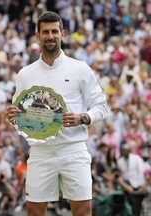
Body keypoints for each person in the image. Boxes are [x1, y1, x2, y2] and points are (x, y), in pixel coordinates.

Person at [6, 11, 108, 216]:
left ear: (63, 34)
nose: (50, 36)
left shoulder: (80, 68)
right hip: (40, 152)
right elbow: (19, 114)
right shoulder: (25, 73)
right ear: (37, 36)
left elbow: (101, 107)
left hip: (74, 149)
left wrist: (83, 118)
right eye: (45, 32)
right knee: (34, 211)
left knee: (83, 212)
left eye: (54, 31)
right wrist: (13, 116)